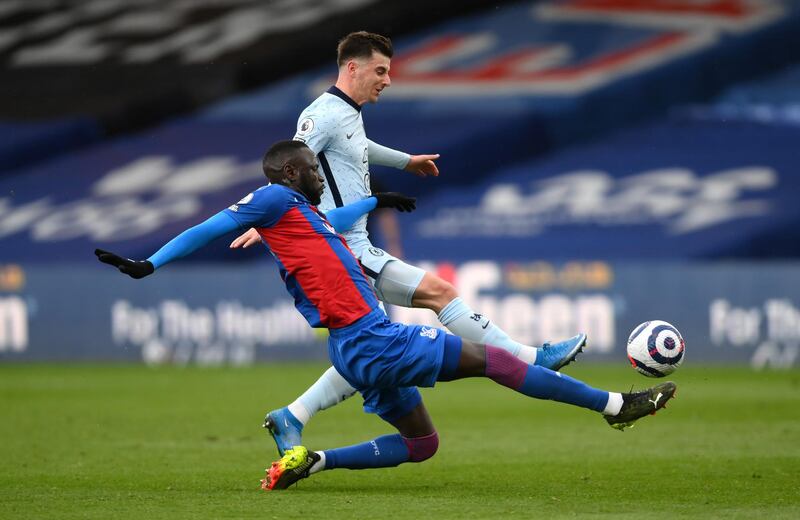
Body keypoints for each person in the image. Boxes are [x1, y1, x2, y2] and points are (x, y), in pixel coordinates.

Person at [96, 140, 677, 491]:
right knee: (495, 360)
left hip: (353, 350)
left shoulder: (301, 213)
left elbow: (333, 217)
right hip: (373, 340)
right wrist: (151, 262)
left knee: (422, 444)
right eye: (313, 169)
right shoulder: (274, 198)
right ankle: (613, 406)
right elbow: (210, 226)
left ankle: (313, 459)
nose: (320, 175)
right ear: (293, 172)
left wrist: (378, 200)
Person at [229, 31, 588, 456]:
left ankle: (293, 416)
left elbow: (357, 148)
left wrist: (406, 161)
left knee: (366, 350)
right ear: (352, 68)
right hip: (342, 247)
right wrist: (267, 218)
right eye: (380, 71)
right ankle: (530, 358)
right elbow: (289, 164)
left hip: (352, 242)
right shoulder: (321, 114)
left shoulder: (346, 113)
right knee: (439, 293)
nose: (387, 80)